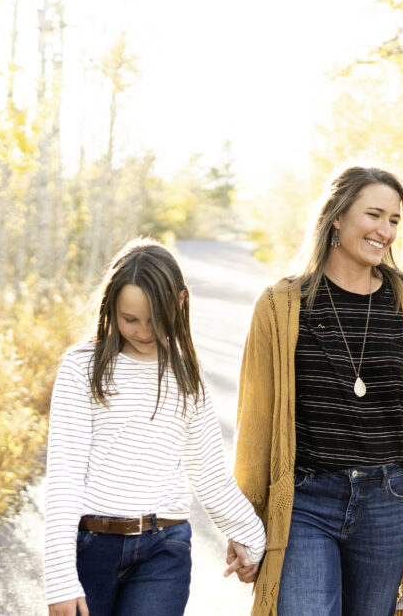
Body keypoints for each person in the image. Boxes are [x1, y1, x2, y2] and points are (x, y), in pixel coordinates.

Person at [233, 166, 403, 616]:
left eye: (394, 220)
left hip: (390, 502)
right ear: (337, 216)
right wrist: (245, 521)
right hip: (305, 502)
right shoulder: (281, 304)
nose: (385, 231)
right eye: (374, 215)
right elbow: (256, 423)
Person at [43, 238, 266, 616]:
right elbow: (65, 478)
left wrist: (252, 537)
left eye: (155, 318)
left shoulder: (187, 376)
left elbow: (210, 473)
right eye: (130, 319)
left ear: (179, 302)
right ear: (111, 307)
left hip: (164, 549)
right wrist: (60, 578)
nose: (144, 331)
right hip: (92, 548)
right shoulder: (82, 368)